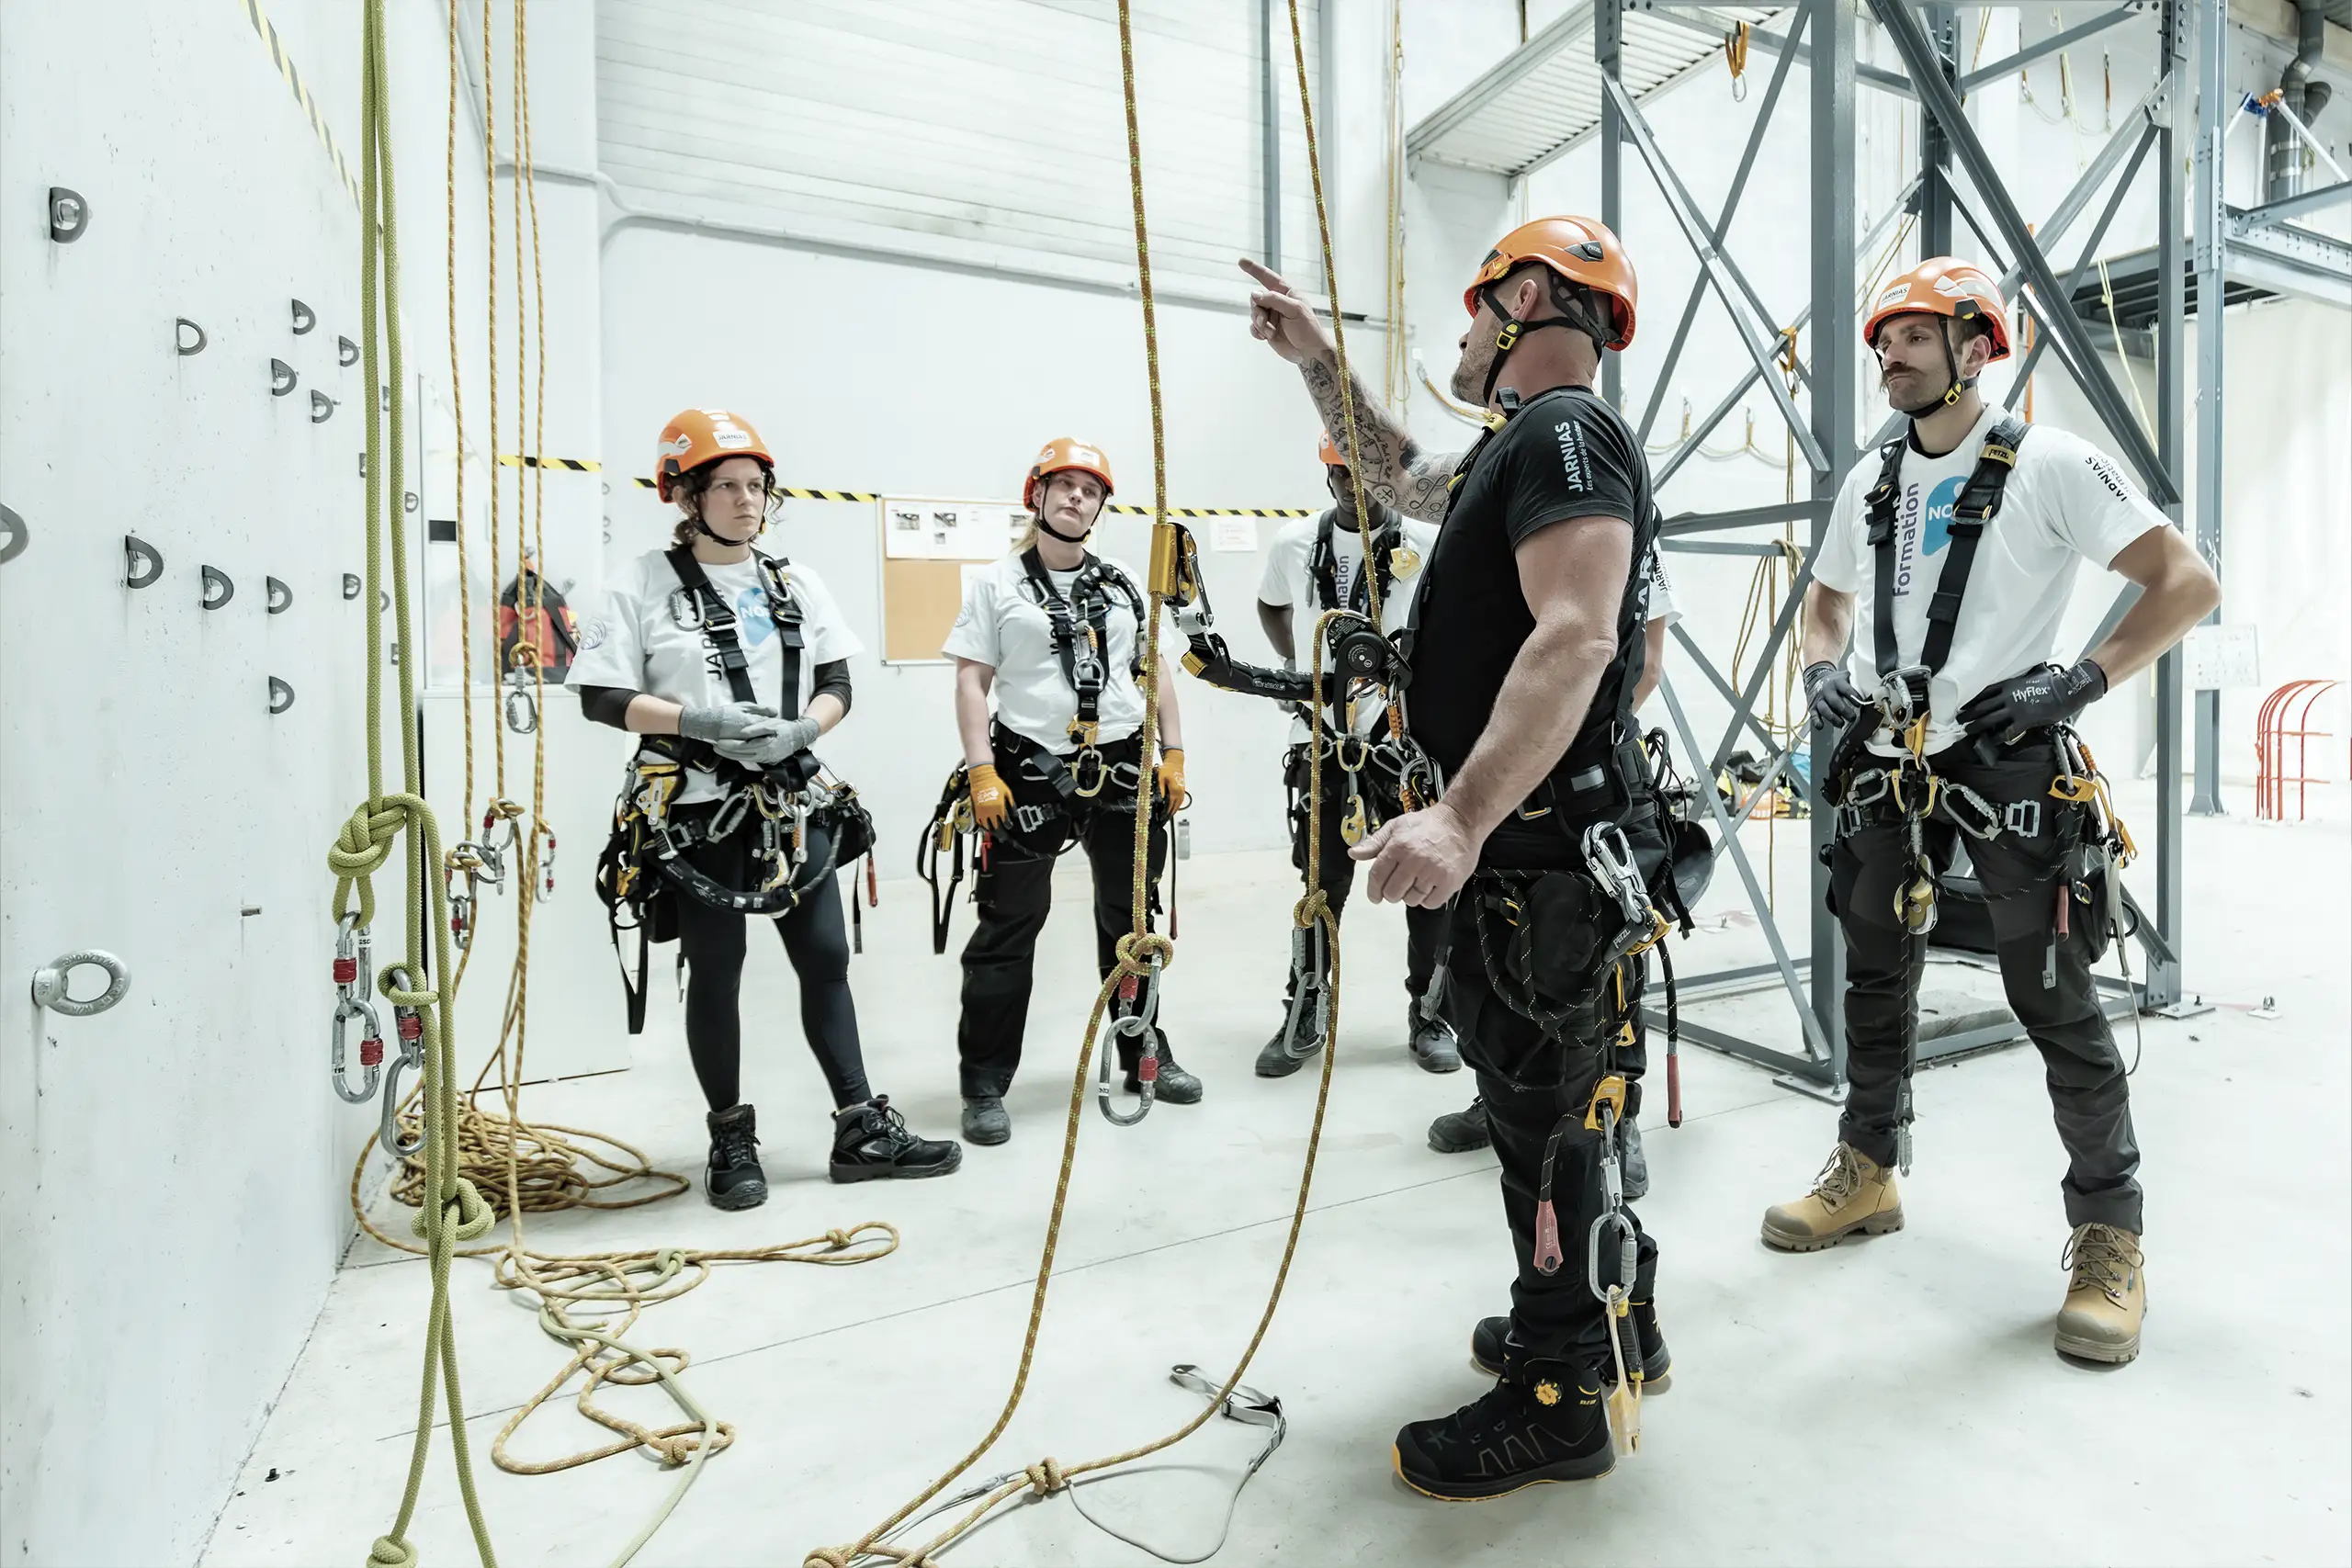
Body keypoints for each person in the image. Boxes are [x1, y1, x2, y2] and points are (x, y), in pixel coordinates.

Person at [1244, 217, 1673, 1499]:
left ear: (1528, 295)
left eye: (1480, 305)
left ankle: (1558, 1393)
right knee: (1566, 1103)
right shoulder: (1521, 444)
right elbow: (1404, 475)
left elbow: (1580, 639)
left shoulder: (1563, 434)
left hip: (1539, 855)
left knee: (1543, 1121)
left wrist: (1460, 816)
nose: (1464, 333)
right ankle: (1616, 1324)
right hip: (1543, 855)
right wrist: (1319, 362)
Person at [1770, 257, 2219, 1365]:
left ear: (1976, 347)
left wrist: (2078, 680)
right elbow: (1823, 601)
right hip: (1883, 758)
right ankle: (1867, 1171)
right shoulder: (1871, 478)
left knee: (2053, 995)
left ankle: (2110, 1236)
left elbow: (2185, 580)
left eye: (1912, 337)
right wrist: (1821, 671)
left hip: (2007, 762)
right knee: (1875, 973)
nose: (1888, 355)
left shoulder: (2051, 463)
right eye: (1882, 341)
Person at [570, 407, 962, 1208]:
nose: (747, 501)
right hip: (697, 812)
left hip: (788, 804)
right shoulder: (639, 582)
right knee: (717, 973)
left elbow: (838, 682)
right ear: (685, 496)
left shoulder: (796, 582)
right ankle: (729, 1138)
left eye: (757, 487)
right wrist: (695, 721)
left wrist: (801, 730)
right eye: (726, 487)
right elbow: (602, 697)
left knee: (825, 959)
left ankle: (859, 1124)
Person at [944, 437, 1200, 1145]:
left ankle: (1142, 1054)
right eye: (1064, 486)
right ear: (1037, 495)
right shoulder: (998, 583)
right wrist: (980, 770)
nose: (1077, 498)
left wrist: (1173, 753)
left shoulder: (1123, 582)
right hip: (1026, 770)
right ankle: (985, 1081)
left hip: (1119, 765)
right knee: (1008, 927)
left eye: (1090, 490)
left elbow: (1158, 670)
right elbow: (971, 680)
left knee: (1131, 923)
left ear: (1100, 508)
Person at [1425, 542, 1682, 1189]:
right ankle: (1508, 1093)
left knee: (1607, 960)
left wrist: (1547, 748)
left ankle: (1619, 1115)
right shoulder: (1496, 531)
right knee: (1497, 943)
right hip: (1500, 782)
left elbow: (1645, 664)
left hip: (1587, 786)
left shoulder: (1619, 533)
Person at [1251, 431, 1458, 1078]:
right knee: (1321, 880)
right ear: (1330, 478)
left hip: (1403, 742)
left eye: (1366, 476)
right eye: (1342, 475)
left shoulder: (1424, 544)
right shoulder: (1294, 545)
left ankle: (1430, 1013)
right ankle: (1306, 1004)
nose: (1355, 487)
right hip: (1323, 741)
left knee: (1426, 880)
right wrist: (1295, 669)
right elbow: (1270, 602)